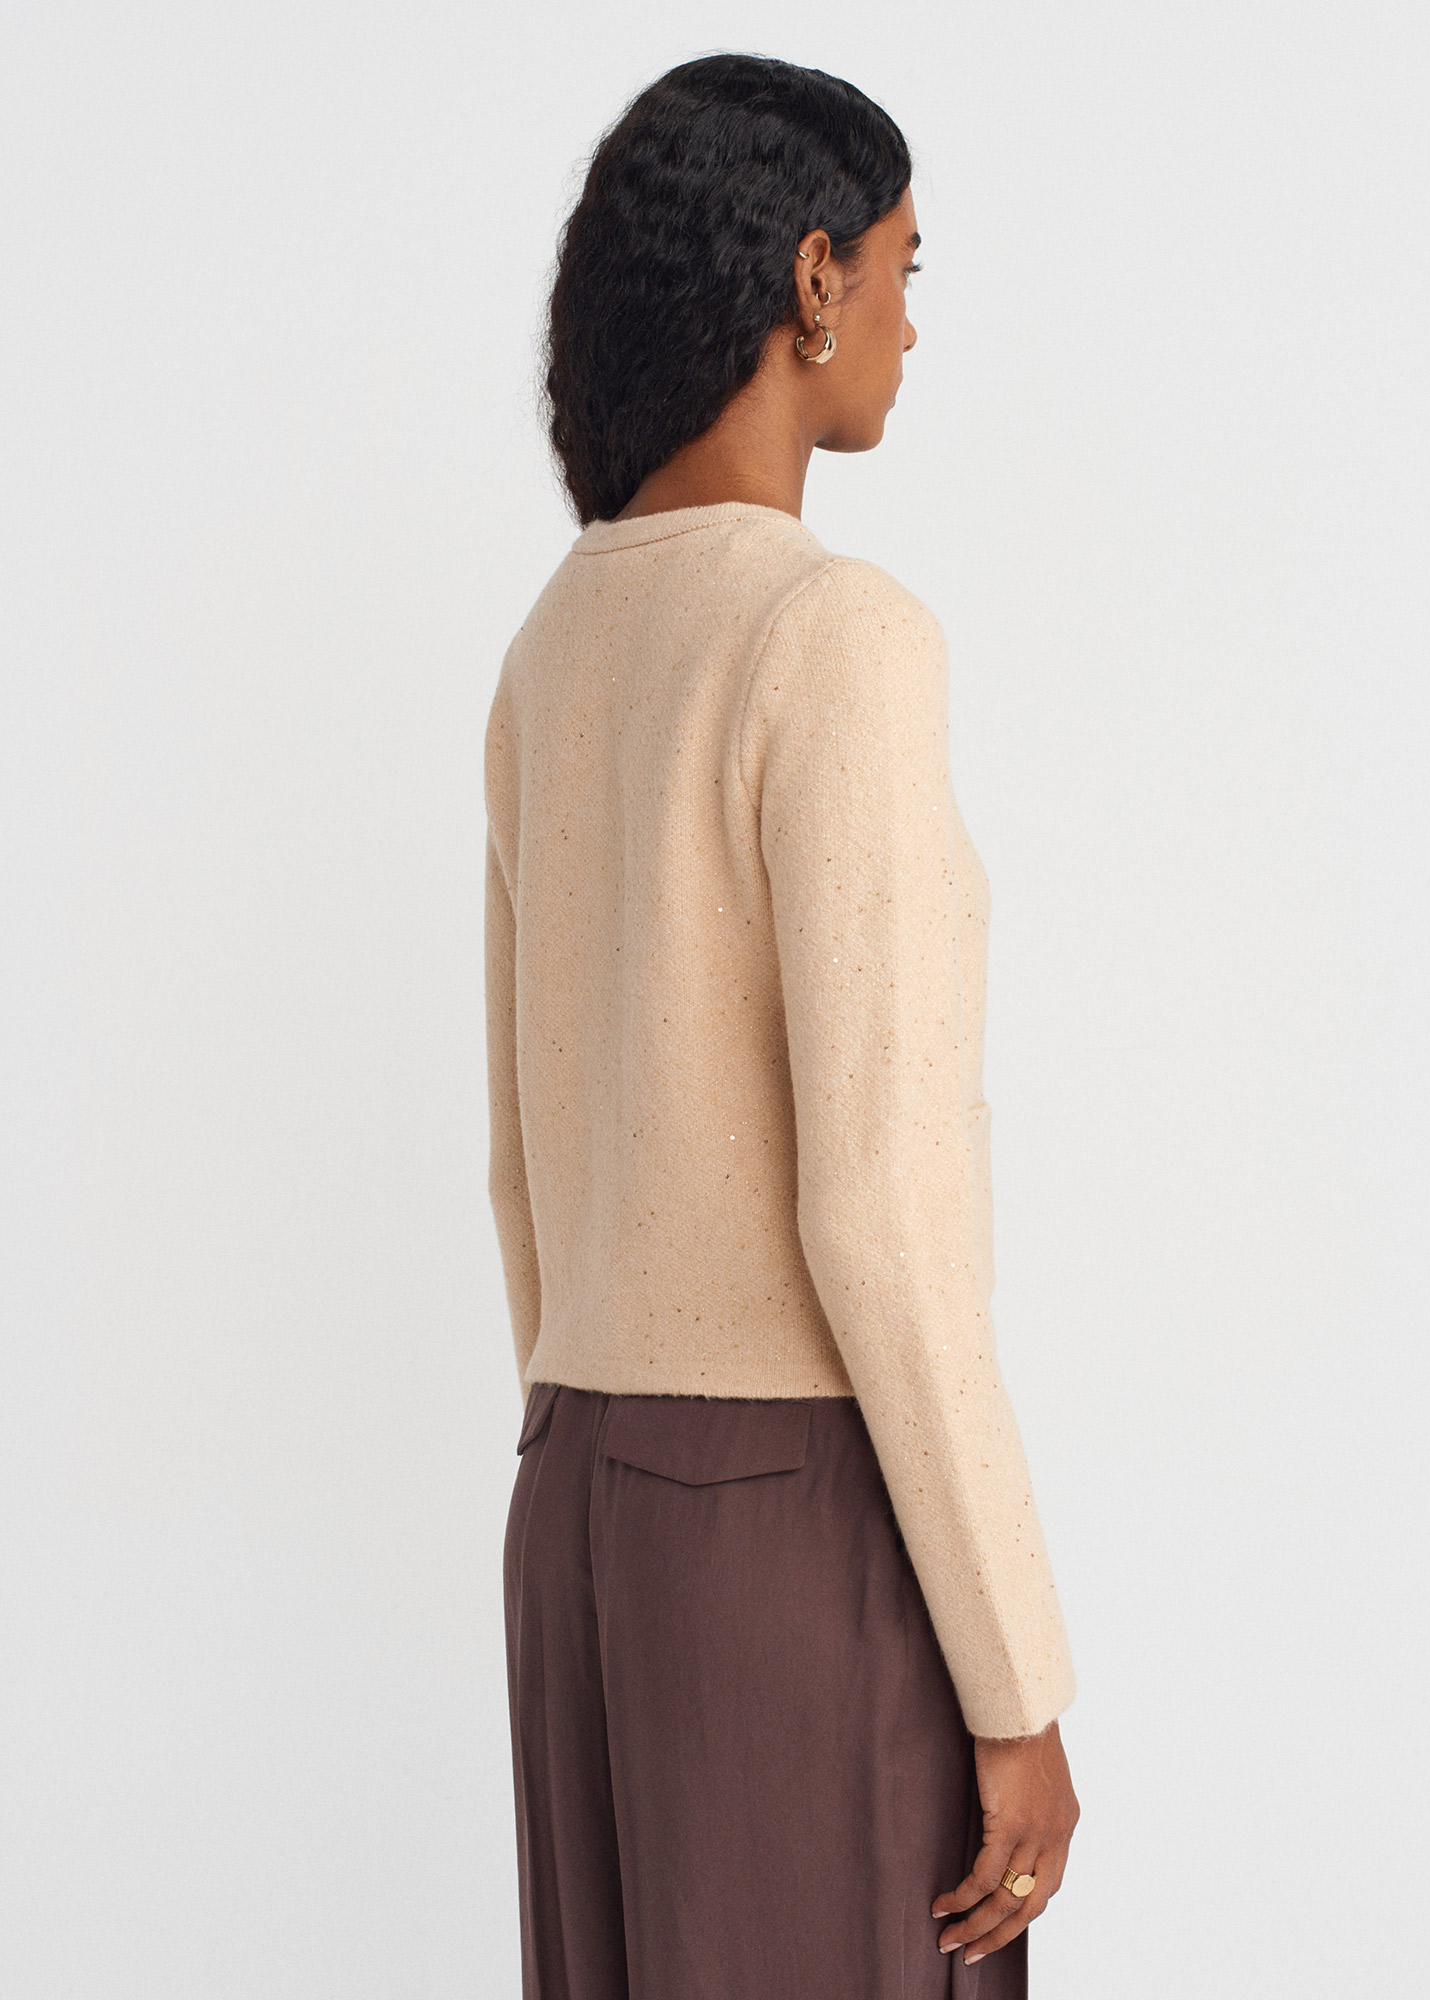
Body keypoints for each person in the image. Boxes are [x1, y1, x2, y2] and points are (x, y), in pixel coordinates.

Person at [484, 54, 1080, 2000]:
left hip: (577, 1503)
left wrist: (601, 1445)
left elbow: (520, 1169)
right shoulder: (834, 636)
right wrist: (1014, 1685)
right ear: (813, 277)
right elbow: (880, 1214)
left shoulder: (555, 646)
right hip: (795, 1529)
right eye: (904, 264)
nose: (913, 316)